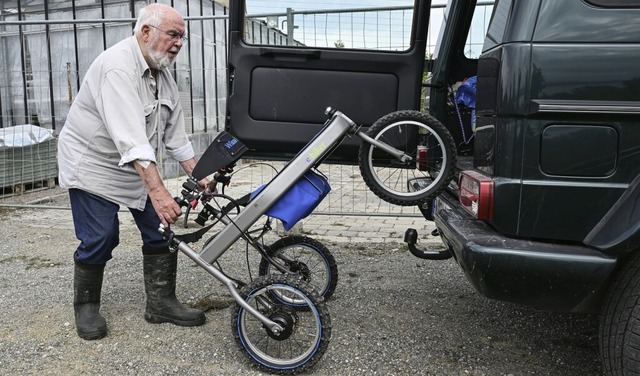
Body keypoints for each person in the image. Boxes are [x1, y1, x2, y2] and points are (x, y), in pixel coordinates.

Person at [57, 3, 207, 340]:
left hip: (135, 165)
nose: (179, 43)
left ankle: (161, 304)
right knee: (101, 236)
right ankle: (86, 306)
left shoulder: (163, 75)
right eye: (173, 34)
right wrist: (159, 192)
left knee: (160, 231)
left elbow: (175, 137)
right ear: (145, 32)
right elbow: (131, 139)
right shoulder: (117, 68)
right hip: (93, 165)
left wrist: (200, 176)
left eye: (181, 37)